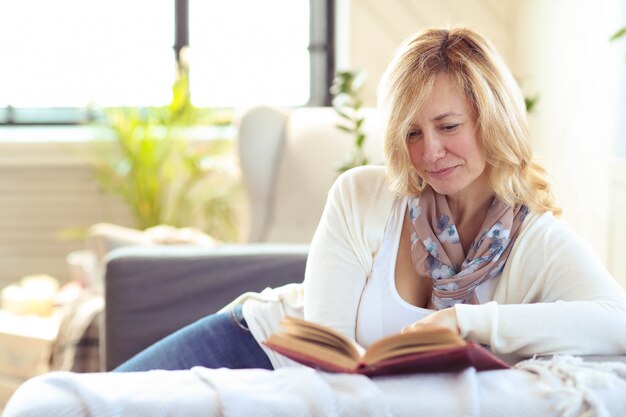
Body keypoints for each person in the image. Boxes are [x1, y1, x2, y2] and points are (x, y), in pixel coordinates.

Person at [116, 27, 626, 373]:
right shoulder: (363, 194)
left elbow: (615, 324)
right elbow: (320, 347)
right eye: (411, 133)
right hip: (255, 345)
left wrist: (466, 321)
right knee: (78, 405)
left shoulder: (536, 241)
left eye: (448, 126)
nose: (429, 152)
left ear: (493, 122)